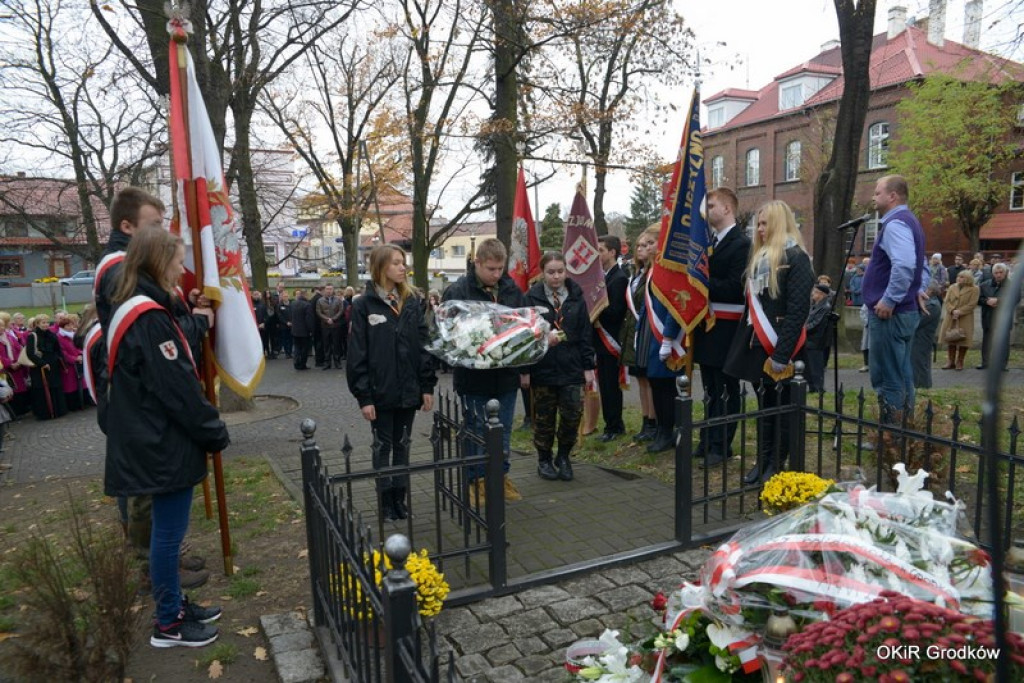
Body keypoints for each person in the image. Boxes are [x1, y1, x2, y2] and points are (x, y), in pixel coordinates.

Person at [103, 226, 228, 649]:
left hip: (152, 437)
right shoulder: (149, 317)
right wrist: (213, 431)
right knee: (168, 536)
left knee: (167, 533)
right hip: (159, 442)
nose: (181, 268)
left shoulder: (143, 306)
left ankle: (174, 605)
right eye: (176, 261)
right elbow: (177, 389)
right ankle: (169, 622)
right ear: (159, 261)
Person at [724, 200, 813, 484]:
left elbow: (798, 311)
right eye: (758, 224)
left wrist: (781, 355)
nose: (759, 229)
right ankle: (762, 460)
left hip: (782, 346)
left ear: (779, 223)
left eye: (765, 223)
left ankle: (776, 462)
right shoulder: (759, 259)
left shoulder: (797, 258)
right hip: (757, 344)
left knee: (782, 408)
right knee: (764, 406)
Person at [347, 245, 436, 521]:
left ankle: (400, 498)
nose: (402, 267)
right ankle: (385, 500)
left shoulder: (411, 301)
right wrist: (364, 397)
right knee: (383, 446)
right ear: (380, 267)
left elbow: (423, 346)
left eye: (403, 262)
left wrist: (427, 386)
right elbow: (357, 353)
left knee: (403, 445)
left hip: (408, 389)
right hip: (380, 391)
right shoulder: (364, 305)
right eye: (396, 263)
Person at [442, 237, 527, 503]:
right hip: (474, 377)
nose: (496, 274)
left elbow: (523, 327)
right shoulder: (458, 291)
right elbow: (448, 333)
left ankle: (500, 477)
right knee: (477, 430)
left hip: (506, 376)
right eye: (491, 268)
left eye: (500, 268)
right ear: (477, 262)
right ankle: (477, 481)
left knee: (503, 431)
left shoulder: (512, 290)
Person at [525, 252, 596, 481]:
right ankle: (544, 459)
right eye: (551, 272)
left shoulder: (576, 297)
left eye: (560, 271)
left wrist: (588, 367)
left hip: (571, 367)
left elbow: (585, 334)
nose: (556, 276)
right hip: (543, 367)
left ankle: (563, 456)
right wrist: (524, 370)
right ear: (542, 273)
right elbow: (524, 335)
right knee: (544, 418)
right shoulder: (531, 298)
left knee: (572, 415)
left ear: (566, 271)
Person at [692, 187, 749, 467]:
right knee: (711, 388)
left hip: (727, 328)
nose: (707, 211)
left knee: (726, 388)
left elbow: (734, 288)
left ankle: (721, 444)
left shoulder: (741, 244)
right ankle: (708, 437)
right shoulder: (710, 242)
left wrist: (699, 280)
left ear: (727, 208)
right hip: (708, 326)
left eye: (711, 205)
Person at [862, 175, 925, 424]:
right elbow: (919, 262)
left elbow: (906, 264)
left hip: (890, 314)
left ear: (892, 196)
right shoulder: (909, 221)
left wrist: (890, 299)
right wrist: (918, 288)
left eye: (877, 192)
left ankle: (891, 434)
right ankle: (905, 429)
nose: (873, 197)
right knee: (901, 373)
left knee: (888, 377)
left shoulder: (896, 223)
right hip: (903, 311)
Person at [620, 227, 659, 442]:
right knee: (640, 379)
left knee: (649, 379)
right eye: (638, 245)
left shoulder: (654, 274)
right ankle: (646, 420)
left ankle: (653, 421)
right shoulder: (636, 273)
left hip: (647, 331)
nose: (641, 249)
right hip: (633, 332)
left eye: (646, 245)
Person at [592, 235, 629, 442]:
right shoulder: (605, 276)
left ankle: (615, 425)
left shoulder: (619, 278)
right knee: (605, 385)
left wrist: (595, 309)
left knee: (611, 386)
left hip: (611, 339)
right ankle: (610, 424)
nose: (597, 254)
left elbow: (615, 312)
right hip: (600, 339)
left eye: (601, 250)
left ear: (612, 252)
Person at [24, 314, 67, 420]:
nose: (46, 324)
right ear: (37, 324)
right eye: (43, 323)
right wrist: (42, 363)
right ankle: (45, 413)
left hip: (53, 365)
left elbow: (58, 349)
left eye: (47, 322)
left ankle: (57, 411)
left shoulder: (52, 335)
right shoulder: (32, 336)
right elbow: (30, 353)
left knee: (55, 386)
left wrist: (61, 361)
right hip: (39, 367)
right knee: (42, 389)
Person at [912, 255, 945, 388]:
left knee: (920, 361)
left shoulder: (932, 305)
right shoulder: (930, 303)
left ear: (930, 290)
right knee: (916, 361)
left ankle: (922, 385)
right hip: (919, 338)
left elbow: (917, 321)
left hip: (922, 338)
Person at [938, 270, 979, 371]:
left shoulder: (974, 289)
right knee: (950, 337)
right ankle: (950, 361)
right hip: (951, 316)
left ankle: (960, 361)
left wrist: (960, 311)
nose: (959, 279)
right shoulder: (952, 287)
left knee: (964, 339)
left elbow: (972, 304)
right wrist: (952, 310)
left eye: (962, 277)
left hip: (965, 317)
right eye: (958, 276)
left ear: (968, 279)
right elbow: (947, 301)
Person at [977, 262, 1009, 370]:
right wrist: (986, 301)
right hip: (988, 316)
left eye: (1001, 272)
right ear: (992, 273)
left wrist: (999, 300)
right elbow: (978, 299)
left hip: (1003, 317)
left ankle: (1002, 365)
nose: (998, 275)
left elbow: (1016, 298)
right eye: (996, 272)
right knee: (987, 340)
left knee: (1003, 341)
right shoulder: (984, 285)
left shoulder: (1012, 286)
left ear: (1005, 273)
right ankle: (985, 363)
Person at [802, 284, 832, 393]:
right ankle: (812, 386)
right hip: (809, 340)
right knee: (809, 365)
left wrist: (803, 329)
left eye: (814, 292)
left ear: (821, 294)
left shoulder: (825, 307)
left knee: (816, 365)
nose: (812, 294)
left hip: (816, 340)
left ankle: (818, 387)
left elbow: (816, 324)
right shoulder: (815, 305)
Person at [0, 314, 30, 416]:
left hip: (17, 366)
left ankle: (21, 410)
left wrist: (18, 361)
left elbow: (18, 348)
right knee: (10, 391)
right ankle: (14, 413)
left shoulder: (8, 336)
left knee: (19, 390)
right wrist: (9, 363)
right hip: (6, 370)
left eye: (2, 326)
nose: (2, 328)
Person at [56, 313, 85, 411]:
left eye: (71, 325)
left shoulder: (73, 335)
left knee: (80, 384)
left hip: (78, 362)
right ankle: (72, 406)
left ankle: (81, 403)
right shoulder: (59, 337)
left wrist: (80, 354)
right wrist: (74, 358)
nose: (70, 327)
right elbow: (63, 353)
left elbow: (79, 346)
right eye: (68, 325)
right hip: (68, 366)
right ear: (63, 326)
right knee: (70, 386)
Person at [316, 284, 345, 369]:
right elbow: (318, 312)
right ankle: (327, 362)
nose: (329, 291)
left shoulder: (338, 300)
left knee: (336, 344)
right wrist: (327, 319)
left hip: (335, 325)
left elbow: (341, 310)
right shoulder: (320, 300)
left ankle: (337, 362)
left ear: (333, 290)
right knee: (326, 345)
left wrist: (333, 319)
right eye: (327, 289)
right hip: (325, 325)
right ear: (325, 290)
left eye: (330, 289)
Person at [290, 289, 315, 370]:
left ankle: (296, 362)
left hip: (295, 330)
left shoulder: (293, 303)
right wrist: (311, 330)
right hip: (304, 331)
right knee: (304, 348)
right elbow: (309, 319)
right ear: (305, 295)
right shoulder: (307, 305)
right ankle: (302, 364)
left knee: (297, 347)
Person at [310, 285, 325, 367]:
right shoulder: (319, 299)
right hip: (319, 324)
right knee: (320, 343)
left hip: (314, 324)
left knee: (317, 343)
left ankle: (318, 359)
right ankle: (319, 360)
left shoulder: (314, 298)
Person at [276, 290, 293, 358]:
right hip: (284, 326)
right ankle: (287, 353)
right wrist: (286, 322)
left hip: (292, 325)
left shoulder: (292, 304)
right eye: (284, 296)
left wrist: (292, 322)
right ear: (282, 297)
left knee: (291, 340)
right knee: (285, 340)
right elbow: (279, 316)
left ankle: (290, 352)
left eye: (286, 296)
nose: (285, 297)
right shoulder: (279, 305)